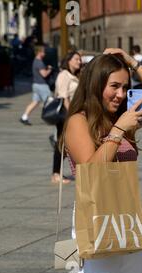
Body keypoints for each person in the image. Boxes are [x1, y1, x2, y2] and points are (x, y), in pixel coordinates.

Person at [60, 48, 142, 273]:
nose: (121, 94)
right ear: (96, 83)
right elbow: (90, 170)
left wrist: (132, 62)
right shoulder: (78, 121)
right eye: (114, 86)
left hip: (128, 216)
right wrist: (118, 130)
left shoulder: (123, 118)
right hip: (96, 216)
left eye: (125, 87)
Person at [50, 51, 82, 184]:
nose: (79, 62)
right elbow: (64, 97)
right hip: (65, 113)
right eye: (76, 59)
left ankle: (76, 170)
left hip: (73, 113)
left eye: (79, 60)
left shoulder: (75, 76)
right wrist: (71, 116)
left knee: (68, 143)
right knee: (61, 143)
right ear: (68, 60)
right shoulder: (64, 75)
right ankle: (56, 174)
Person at [20, 45, 53, 125]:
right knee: (50, 101)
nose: (45, 53)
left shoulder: (35, 61)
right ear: (39, 52)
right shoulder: (39, 62)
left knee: (35, 102)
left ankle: (24, 117)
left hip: (35, 85)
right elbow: (44, 74)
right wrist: (49, 69)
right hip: (42, 85)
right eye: (43, 52)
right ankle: (52, 118)